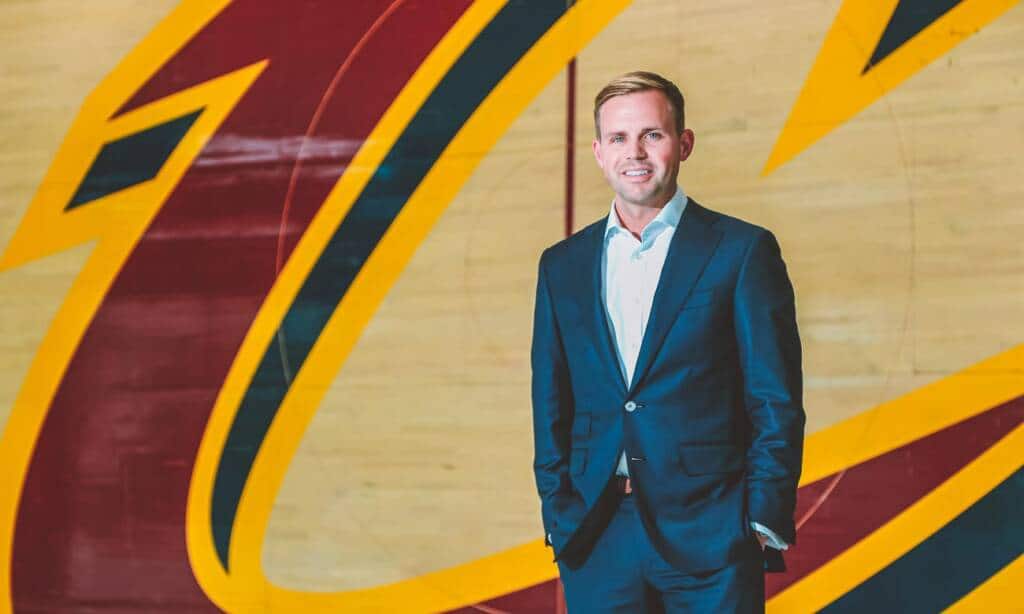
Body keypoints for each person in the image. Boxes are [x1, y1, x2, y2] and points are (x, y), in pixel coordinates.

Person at [531, 71, 804, 613]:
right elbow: (551, 401)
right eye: (618, 138)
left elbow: (775, 398)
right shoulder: (562, 266)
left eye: (651, 135)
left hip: (713, 535)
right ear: (598, 152)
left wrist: (759, 520)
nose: (635, 152)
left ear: (683, 144)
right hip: (596, 535)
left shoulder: (741, 251)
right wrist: (558, 513)